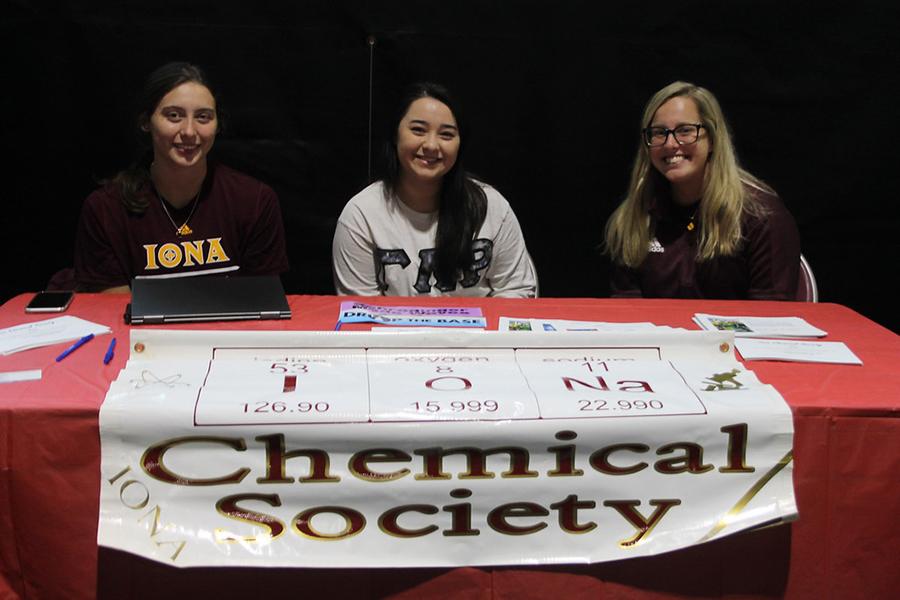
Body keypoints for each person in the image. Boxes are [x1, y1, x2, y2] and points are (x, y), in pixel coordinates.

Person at [74, 62, 289, 292]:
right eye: (174, 115)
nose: (189, 131)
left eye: (203, 117)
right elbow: (115, 316)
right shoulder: (106, 209)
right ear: (146, 121)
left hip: (226, 329)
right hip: (140, 329)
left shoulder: (254, 201)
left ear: (218, 125)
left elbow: (260, 305)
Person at [332, 82, 536, 297]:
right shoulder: (361, 214)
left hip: (480, 330)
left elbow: (517, 291)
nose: (431, 145)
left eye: (446, 135)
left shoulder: (492, 207)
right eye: (418, 130)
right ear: (395, 135)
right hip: (393, 331)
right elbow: (360, 312)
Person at [604, 81, 800, 300]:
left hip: (736, 335)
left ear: (713, 139)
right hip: (659, 335)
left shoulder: (762, 216)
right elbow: (627, 312)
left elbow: (774, 317)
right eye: (659, 132)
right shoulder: (633, 217)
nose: (670, 144)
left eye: (685, 130)